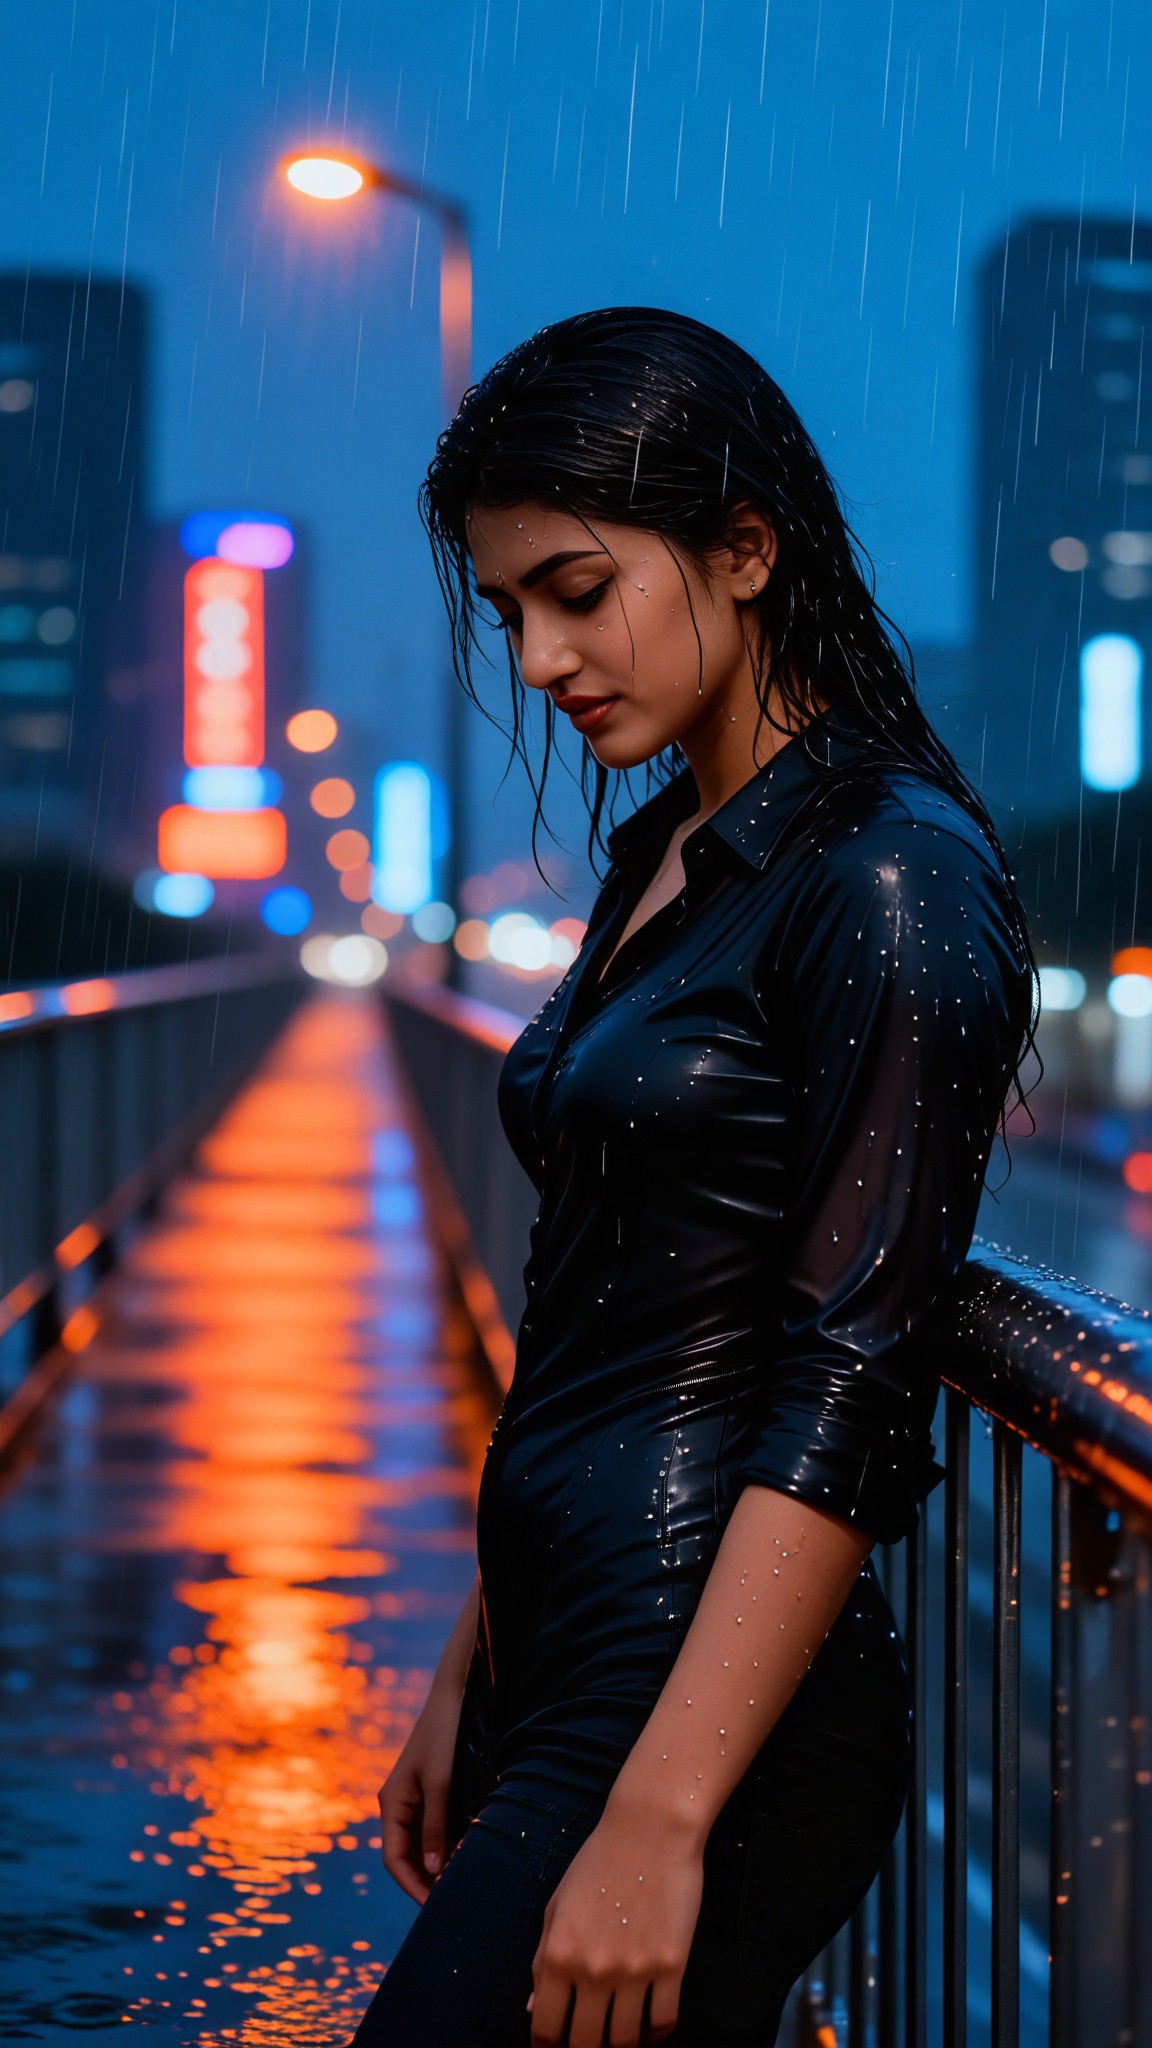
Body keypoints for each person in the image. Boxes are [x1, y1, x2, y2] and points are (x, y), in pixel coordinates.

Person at [351, 307, 1039, 2048]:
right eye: (510, 609)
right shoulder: (672, 845)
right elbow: (599, 1295)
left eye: (577, 589)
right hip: (571, 1662)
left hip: (705, 1709)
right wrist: (477, 1651)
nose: (540, 655)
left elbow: (851, 1375)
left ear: (745, 548)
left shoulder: (892, 878)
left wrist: (661, 1819)